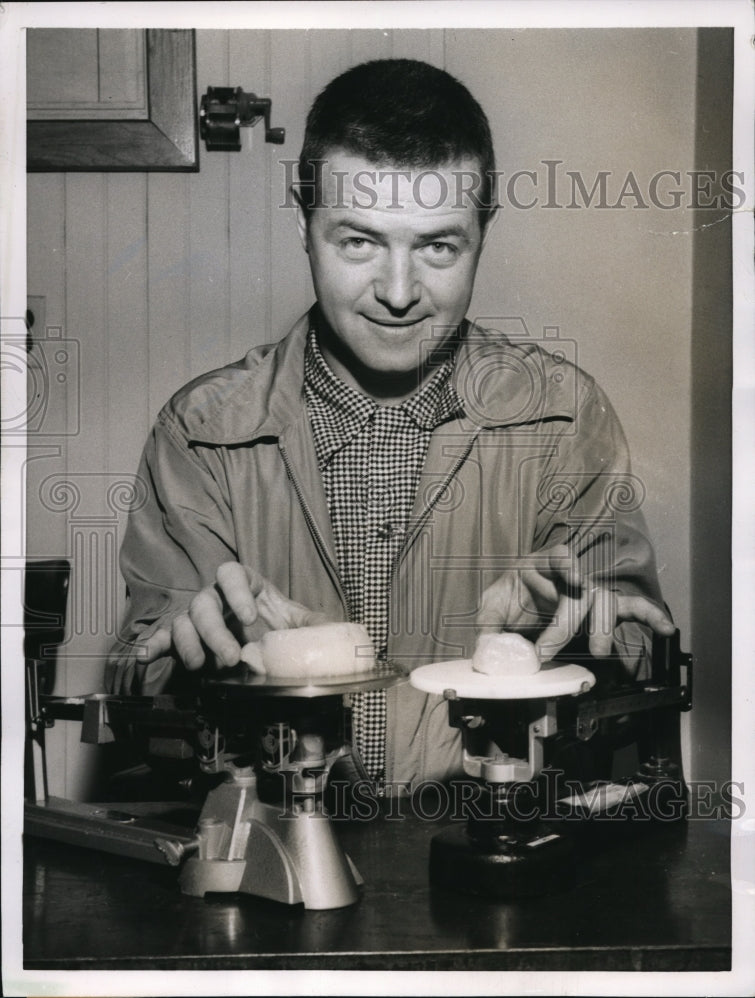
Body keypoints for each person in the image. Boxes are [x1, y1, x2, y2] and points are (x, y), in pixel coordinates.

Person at [105, 59, 674, 790]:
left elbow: (644, 664)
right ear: (303, 219)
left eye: (438, 246)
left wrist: (576, 634)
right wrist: (192, 653)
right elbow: (133, 688)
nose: (399, 294)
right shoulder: (201, 434)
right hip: (277, 835)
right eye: (359, 241)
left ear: (484, 229)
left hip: (491, 838)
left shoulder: (565, 418)